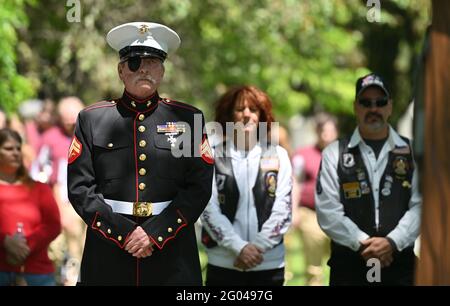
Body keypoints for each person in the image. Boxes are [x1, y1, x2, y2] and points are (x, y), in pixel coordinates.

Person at [67, 22, 213, 286]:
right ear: (121, 70)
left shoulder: (187, 119)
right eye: (134, 62)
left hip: (171, 251)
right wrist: (123, 234)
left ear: (163, 71)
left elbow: (199, 187)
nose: (144, 68)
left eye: (153, 61)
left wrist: (155, 234)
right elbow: (80, 189)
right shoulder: (92, 119)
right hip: (109, 250)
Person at [315, 73, 421, 286]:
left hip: (400, 266)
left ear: (389, 107)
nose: (373, 109)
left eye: (380, 102)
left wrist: (392, 242)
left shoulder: (411, 152)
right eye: (366, 102)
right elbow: (327, 211)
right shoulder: (334, 153)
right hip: (349, 267)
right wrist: (364, 243)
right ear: (356, 107)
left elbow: (421, 205)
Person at [201, 85, 292, 286]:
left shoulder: (279, 155)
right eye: (240, 109)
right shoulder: (212, 155)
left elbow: (283, 210)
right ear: (228, 115)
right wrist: (239, 248)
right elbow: (207, 209)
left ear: (262, 115)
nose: (247, 115)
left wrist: (255, 249)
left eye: (253, 109)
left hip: (268, 263)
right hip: (224, 262)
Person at [30, 97, 85, 285]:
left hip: (87, 206)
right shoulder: (51, 138)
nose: (72, 124)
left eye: (75, 119)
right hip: (56, 205)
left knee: (82, 253)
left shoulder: (92, 134)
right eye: (67, 120)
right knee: (57, 253)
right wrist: (57, 207)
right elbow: (38, 173)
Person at [0, 128, 61, 286]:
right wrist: (4, 241)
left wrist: (25, 246)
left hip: (37, 272)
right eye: (8, 148)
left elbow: (53, 225)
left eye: (18, 148)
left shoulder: (40, 189)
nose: (15, 153)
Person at [291, 112, 338, 285]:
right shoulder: (303, 154)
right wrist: (293, 210)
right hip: (310, 215)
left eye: (330, 131)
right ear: (316, 132)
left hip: (338, 217)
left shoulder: (344, 155)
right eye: (322, 131)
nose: (326, 135)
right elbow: (295, 182)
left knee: (341, 265)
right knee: (314, 268)